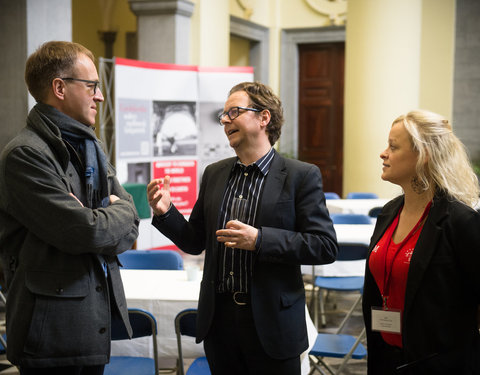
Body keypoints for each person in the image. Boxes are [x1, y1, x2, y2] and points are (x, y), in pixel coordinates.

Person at [147, 81, 338, 374]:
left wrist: (260, 239)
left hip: (273, 324)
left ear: (264, 117)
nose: (225, 120)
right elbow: (196, 241)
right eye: (223, 115)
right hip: (220, 323)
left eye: (234, 112)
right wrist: (166, 212)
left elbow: (324, 246)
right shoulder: (214, 174)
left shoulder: (300, 176)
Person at [0, 41, 139, 374]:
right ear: (59, 88)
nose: (100, 96)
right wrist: (109, 214)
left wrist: (111, 214)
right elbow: (85, 232)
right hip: (50, 334)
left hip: (90, 323)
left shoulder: (89, 144)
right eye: (91, 85)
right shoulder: (26, 154)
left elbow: (132, 218)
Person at [362, 109, 480, 374]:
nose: (383, 153)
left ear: (423, 156)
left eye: (393, 147)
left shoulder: (460, 221)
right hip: (385, 356)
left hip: (440, 362)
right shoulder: (389, 212)